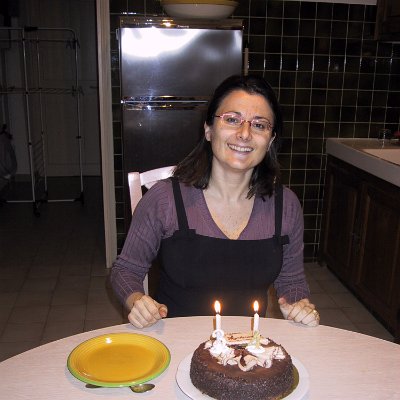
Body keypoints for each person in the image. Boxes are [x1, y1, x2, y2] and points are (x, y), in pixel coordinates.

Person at [111, 74, 320, 329]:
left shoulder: (286, 206)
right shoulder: (164, 200)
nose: (244, 134)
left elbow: (292, 281)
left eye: (259, 125)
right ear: (209, 130)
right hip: (175, 341)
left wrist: (299, 306)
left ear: (271, 140)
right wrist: (137, 300)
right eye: (232, 120)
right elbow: (126, 270)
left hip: (248, 345)